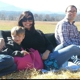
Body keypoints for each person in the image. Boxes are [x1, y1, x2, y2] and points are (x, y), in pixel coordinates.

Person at [1, 11, 80, 71]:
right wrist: (1, 39)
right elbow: (1, 32)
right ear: (21, 21)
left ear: (33, 20)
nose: (28, 22)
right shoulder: (19, 33)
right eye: (25, 19)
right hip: (43, 59)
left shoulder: (38, 32)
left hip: (49, 54)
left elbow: (49, 44)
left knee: (63, 44)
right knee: (73, 48)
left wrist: (47, 51)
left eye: (30, 19)